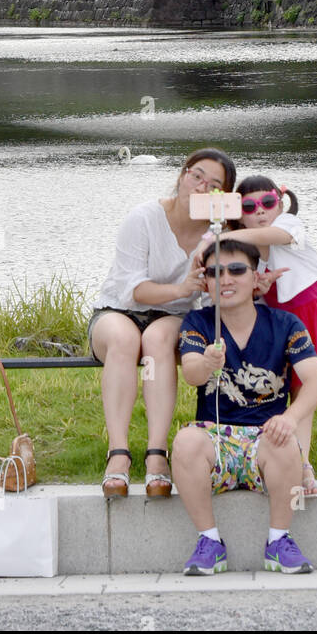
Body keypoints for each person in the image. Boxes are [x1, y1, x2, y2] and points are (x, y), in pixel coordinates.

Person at [172, 237, 317, 575]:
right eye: (215, 273)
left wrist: (290, 417)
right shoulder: (198, 324)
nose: (226, 279)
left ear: (256, 278)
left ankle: (279, 542)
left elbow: (316, 381)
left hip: (266, 439)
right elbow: (192, 376)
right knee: (185, 441)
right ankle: (210, 542)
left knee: (286, 441)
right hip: (217, 440)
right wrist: (209, 362)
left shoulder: (286, 325)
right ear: (207, 283)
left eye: (237, 270)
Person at [88, 147, 236, 499]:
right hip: (118, 309)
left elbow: (219, 289)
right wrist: (182, 287)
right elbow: (132, 290)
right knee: (125, 339)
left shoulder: (219, 231)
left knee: (156, 341)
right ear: (182, 176)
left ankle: (157, 453)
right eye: (196, 175)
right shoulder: (143, 218)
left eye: (215, 185)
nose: (202, 187)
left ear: (224, 195)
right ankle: (118, 453)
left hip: (171, 317)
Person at [224, 174, 317, 496]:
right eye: (249, 206)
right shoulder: (243, 254)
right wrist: (258, 288)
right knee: (300, 399)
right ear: (239, 212)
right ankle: (303, 467)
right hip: (290, 326)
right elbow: (249, 299)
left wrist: (227, 236)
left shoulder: (290, 224)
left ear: (280, 202)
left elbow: (275, 234)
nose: (261, 211)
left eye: (268, 202)